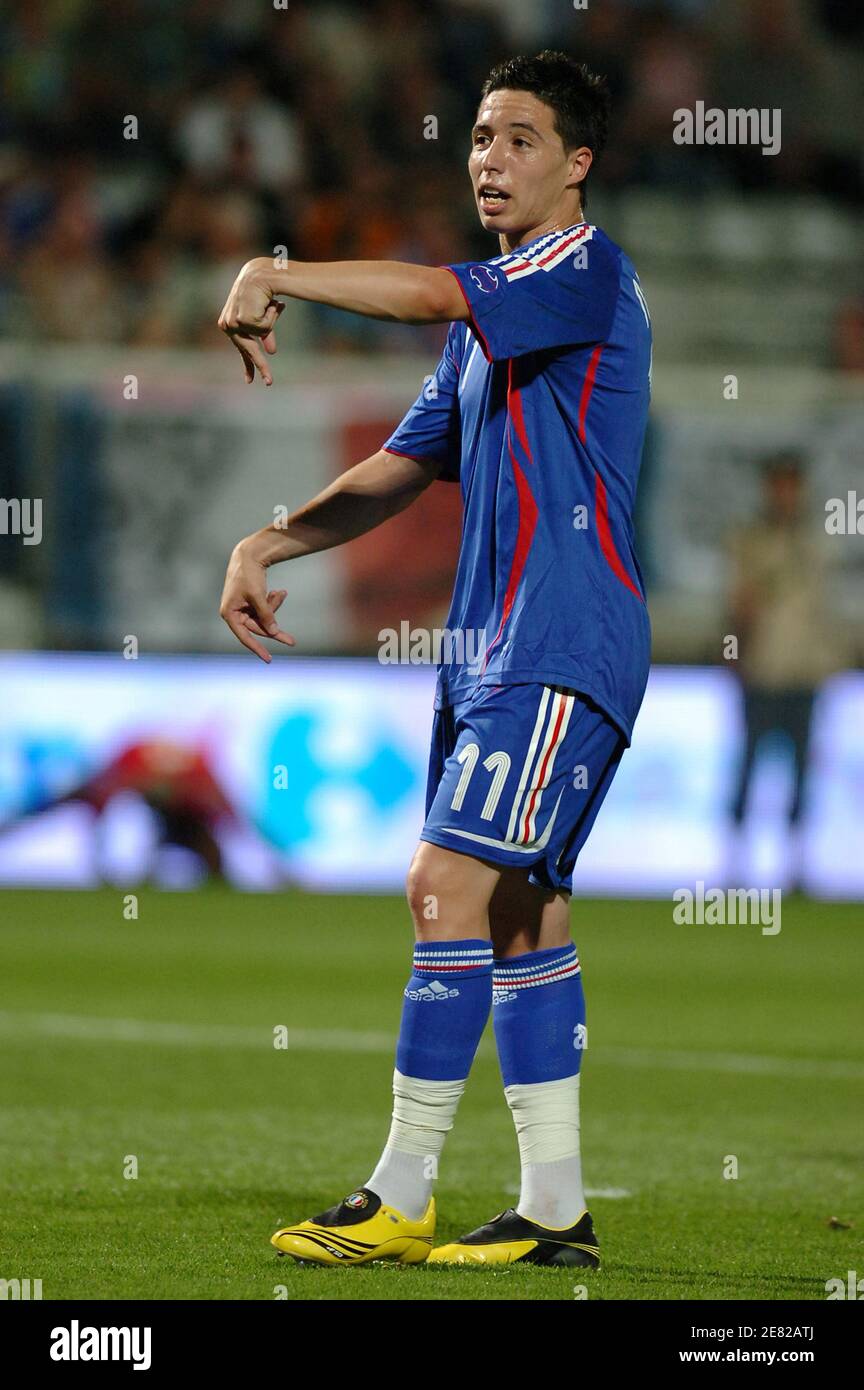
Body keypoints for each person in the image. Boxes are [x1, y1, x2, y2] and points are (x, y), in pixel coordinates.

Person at [216, 50, 652, 1269]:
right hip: (495, 658)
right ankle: (554, 1208)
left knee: (440, 888)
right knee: (519, 912)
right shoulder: (492, 323)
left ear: (578, 164)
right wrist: (271, 538)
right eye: (475, 138)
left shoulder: (578, 271)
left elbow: (430, 296)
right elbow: (397, 471)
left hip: (561, 645)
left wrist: (277, 271)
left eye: (518, 139)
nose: (488, 160)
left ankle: (399, 1190)